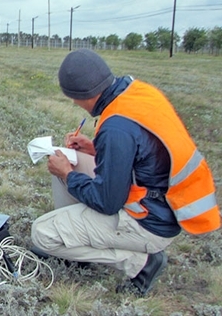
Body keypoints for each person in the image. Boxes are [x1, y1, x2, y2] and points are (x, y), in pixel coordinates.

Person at [30, 49, 220, 296]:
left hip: (148, 223)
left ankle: (140, 264)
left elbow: (107, 201)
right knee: (71, 164)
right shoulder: (137, 93)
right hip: (163, 205)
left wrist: (67, 174)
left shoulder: (116, 129)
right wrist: (95, 148)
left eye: (73, 98)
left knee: (41, 234)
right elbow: (143, 154)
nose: (74, 103)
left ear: (83, 94)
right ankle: (77, 234)